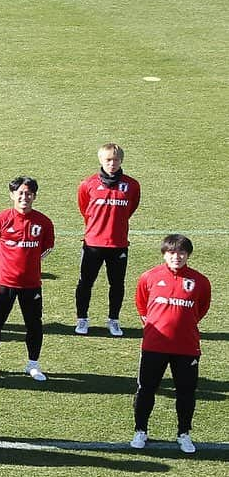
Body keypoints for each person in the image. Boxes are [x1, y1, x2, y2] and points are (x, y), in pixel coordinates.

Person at [131, 234, 211, 454]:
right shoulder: (149, 277)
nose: (177, 257)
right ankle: (140, 430)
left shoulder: (199, 281)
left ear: (188, 255)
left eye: (182, 253)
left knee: (186, 392)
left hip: (187, 347)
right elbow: (141, 306)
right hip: (154, 346)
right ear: (164, 254)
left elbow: (201, 308)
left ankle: (184, 433)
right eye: (172, 253)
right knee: (146, 389)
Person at [0, 177, 55, 381]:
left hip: (31, 284)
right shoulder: (1, 219)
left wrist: (30, 262)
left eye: (29, 193)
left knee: (34, 325)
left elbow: (47, 247)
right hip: (3, 283)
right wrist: (6, 262)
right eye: (20, 193)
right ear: (12, 195)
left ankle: (33, 364)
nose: (24, 197)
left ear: (34, 196)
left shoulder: (43, 222)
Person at [75, 143, 140, 337]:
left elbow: (131, 208)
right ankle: (82, 318)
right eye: (108, 160)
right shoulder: (88, 184)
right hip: (93, 244)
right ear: (101, 160)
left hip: (118, 244)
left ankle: (113, 320)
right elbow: (84, 209)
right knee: (86, 282)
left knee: (117, 284)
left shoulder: (132, 185)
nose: (112, 163)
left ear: (121, 161)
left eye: (116, 160)